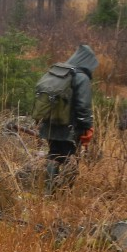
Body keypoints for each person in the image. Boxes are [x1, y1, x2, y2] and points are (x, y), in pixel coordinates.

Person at [37, 44, 98, 194]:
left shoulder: (58, 72)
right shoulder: (81, 78)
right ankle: (65, 192)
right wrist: (87, 126)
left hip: (50, 124)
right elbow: (83, 106)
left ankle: (49, 191)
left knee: (54, 154)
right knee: (71, 158)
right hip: (69, 127)